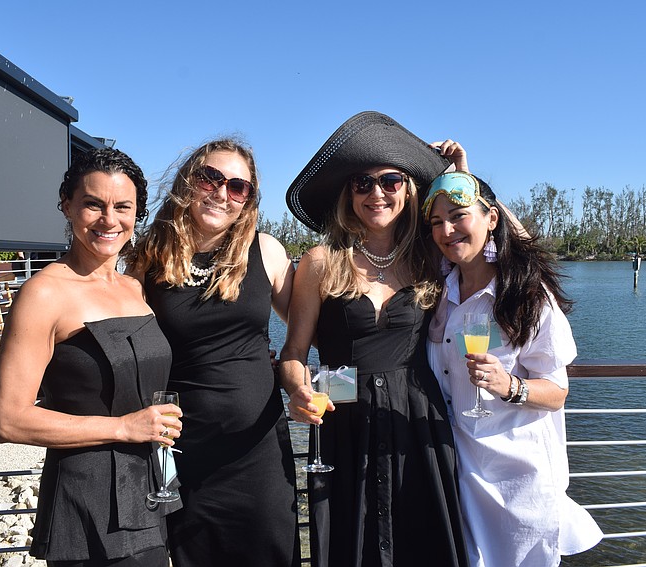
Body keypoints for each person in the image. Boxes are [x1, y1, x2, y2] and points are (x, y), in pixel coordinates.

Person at [280, 111, 467, 567]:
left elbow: (499, 248)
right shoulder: (322, 261)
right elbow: (293, 355)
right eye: (362, 182)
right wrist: (300, 389)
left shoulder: (431, 255)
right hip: (342, 409)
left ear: (408, 189)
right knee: (350, 541)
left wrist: (460, 178)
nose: (376, 193)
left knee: (422, 542)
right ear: (348, 194)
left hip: (417, 415)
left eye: (390, 180)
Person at [0, 147, 182, 566]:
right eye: (93, 204)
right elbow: (9, 419)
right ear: (67, 206)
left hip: (151, 489)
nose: (108, 219)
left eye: (122, 206)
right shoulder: (43, 294)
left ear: (138, 214)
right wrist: (123, 428)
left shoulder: (134, 287)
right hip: (85, 501)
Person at [128, 139, 299, 567]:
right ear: (189, 181)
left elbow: (311, 328)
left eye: (238, 187)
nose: (222, 193)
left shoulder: (267, 251)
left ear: (248, 200)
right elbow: (123, 342)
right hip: (184, 454)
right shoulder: (149, 258)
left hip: (257, 451)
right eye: (211, 178)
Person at [421, 170, 603, 566]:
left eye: (458, 215)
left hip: (519, 481)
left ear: (491, 218)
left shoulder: (526, 296)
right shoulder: (440, 289)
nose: (447, 229)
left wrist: (509, 385)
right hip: (460, 474)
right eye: (437, 221)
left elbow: (556, 393)